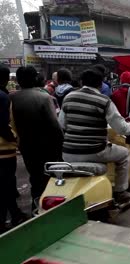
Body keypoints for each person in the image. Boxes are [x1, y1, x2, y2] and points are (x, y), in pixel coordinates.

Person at [59, 69, 130, 204]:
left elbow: (62, 124)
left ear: (82, 82)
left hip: (68, 153)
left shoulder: (68, 97)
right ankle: (120, 192)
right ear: (101, 85)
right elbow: (120, 127)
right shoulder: (103, 100)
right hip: (95, 152)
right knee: (124, 154)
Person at [9, 66, 63, 211]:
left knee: (34, 176)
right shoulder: (44, 97)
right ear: (35, 79)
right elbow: (55, 126)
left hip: (25, 145)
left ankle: (35, 204)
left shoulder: (12, 98)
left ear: (19, 80)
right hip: (47, 146)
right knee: (48, 177)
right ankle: (47, 206)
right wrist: (61, 146)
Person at [0, 65, 26, 233]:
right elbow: (2, 125)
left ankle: (15, 214)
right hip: (3, 150)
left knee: (7, 186)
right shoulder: (2, 97)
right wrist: (16, 139)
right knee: (5, 186)